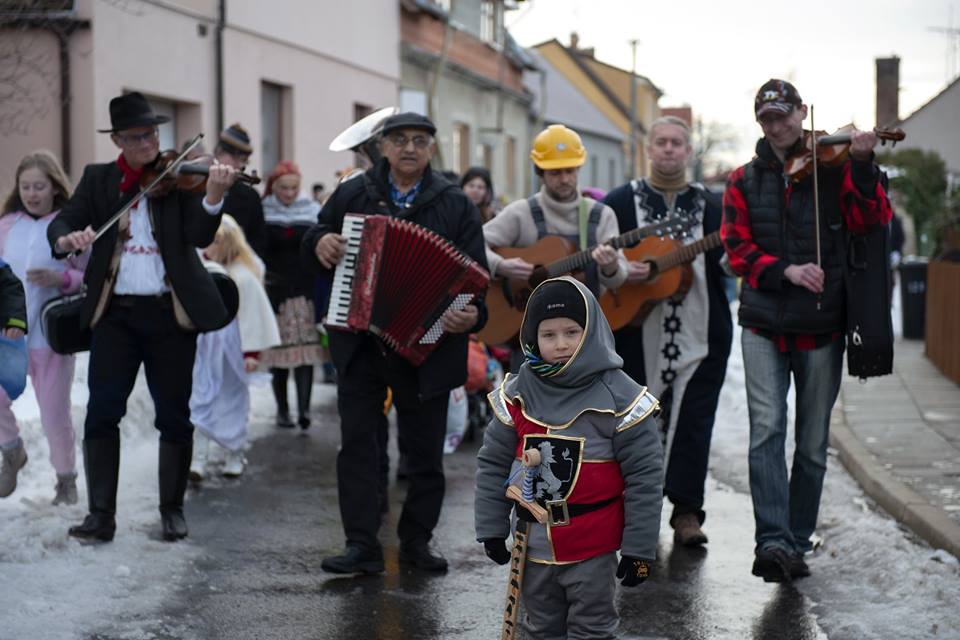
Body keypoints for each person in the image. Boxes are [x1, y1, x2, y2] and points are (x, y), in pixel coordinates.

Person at [721, 79, 892, 581]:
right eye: (767, 119)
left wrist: (860, 165)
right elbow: (736, 249)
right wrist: (785, 271)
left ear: (801, 113)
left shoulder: (833, 168)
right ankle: (772, 541)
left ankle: (795, 540)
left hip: (821, 325)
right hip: (762, 325)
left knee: (813, 443)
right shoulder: (742, 180)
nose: (777, 127)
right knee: (767, 432)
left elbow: (872, 219)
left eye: (784, 116)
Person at [302, 112, 488, 573]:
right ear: (383, 146)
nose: (409, 148)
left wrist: (472, 316)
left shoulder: (455, 204)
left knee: (423, 452)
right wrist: (322, 241)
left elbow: (477, 282)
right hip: (362, 340)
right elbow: (315, 233)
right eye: (400, 139)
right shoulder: (354, 191)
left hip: (428, 345)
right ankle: (361, 545)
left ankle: (416, 543)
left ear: (431, 149)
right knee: (358, 446)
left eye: (420, 141)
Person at [48, 91, 237, 543]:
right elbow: (63, 222)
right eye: (137, 137)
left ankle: (171, 510)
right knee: (102, 412)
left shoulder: (177, 178)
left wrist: (212, 197)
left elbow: (196, 234)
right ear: (117, 140)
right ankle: (100, 516)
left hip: (169, 314)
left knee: (173, 414)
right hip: (115, 316)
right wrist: (67, 239)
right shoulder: (98, 180)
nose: (149, 143)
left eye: (152, 134)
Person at [475, 276, 663, 639]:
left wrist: (640, 549)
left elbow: (644, 478)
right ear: (533, 337)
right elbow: (492, 464)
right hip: (533, 543)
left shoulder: (620, 397)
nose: (561, 344)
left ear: (591, 331)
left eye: (571, 332)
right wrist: (491, 528)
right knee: (540, 628)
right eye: (549, 335)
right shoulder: (517, 394)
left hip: (593, 544)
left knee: (591, 629)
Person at [603, 116, 733, 547]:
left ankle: (686, 511)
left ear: (689, 151)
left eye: (677, 143)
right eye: (661, 142)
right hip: (637, 331)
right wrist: (622, 269)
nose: (669, 149)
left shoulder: (714, 207)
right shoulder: (621, 203)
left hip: (702, 330)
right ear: (649, 148)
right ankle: (637, 509)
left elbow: (731, 263)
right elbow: (602, 261)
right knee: (636, 423)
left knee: (694, 420)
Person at [0, 150, 87, 505]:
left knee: (54, 414)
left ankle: (65, 479)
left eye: (39, 186)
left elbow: (89, 277)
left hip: (51, 337)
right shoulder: (7, 225)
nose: (32, 193)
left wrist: (60, 277)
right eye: (25, 187)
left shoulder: (68, 226)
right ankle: (11, 449)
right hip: (10, 338)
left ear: (54, 187)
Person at [481, 124, 627, 304]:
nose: (565, 179)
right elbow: (474, 243)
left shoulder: (602, 215)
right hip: (526, 321)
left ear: (578, 169)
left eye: (570, 171)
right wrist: (500, 265)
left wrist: (610, 266)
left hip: (585, 321)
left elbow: (617, 279)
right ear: (540, 173)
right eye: (555, 173)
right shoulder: (520, 212)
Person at [190, 215, 281, 479]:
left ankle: (235, 452)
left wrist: (251, 352)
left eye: (215, 242)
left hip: (233, 347)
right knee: (199, 399)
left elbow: (253, 316)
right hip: (204, 345)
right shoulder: (200, 270)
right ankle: (198, 458)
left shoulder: (243, 276)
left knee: (233, 398)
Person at [258, 160, 324, 430]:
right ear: (274, 187)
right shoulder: (263, 212)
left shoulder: (312, 211)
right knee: (280, 356)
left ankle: (305, 411)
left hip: (304, 291)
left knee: (305, 354)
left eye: (294, 188)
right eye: (284, 188)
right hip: (275, 291)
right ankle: (283, 411)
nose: (289, 194)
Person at [214, 124, 266, 258]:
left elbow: (258, 241)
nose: (239, 166)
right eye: (235, 158)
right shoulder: (197, 188)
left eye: (243, 161)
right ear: (219, 153)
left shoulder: (250, 197)